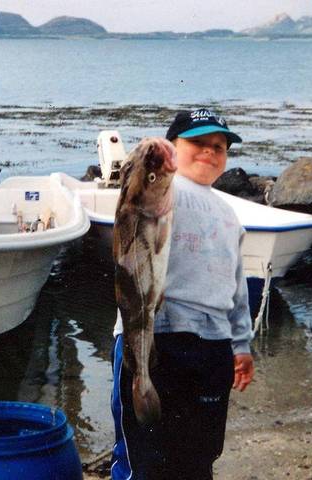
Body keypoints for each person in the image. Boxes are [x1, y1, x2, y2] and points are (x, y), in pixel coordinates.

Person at [110, 109, 255, 480]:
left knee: (200, 452)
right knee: (146, 453)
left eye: (219, 147)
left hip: (214, 345)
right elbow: (134, 175)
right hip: (157, 333)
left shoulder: (229, 214)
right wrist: (150, 150)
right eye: (198, 143)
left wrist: (241, 346)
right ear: (173, 148)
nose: (209, 151)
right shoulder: (159, 192)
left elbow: (237, 287)